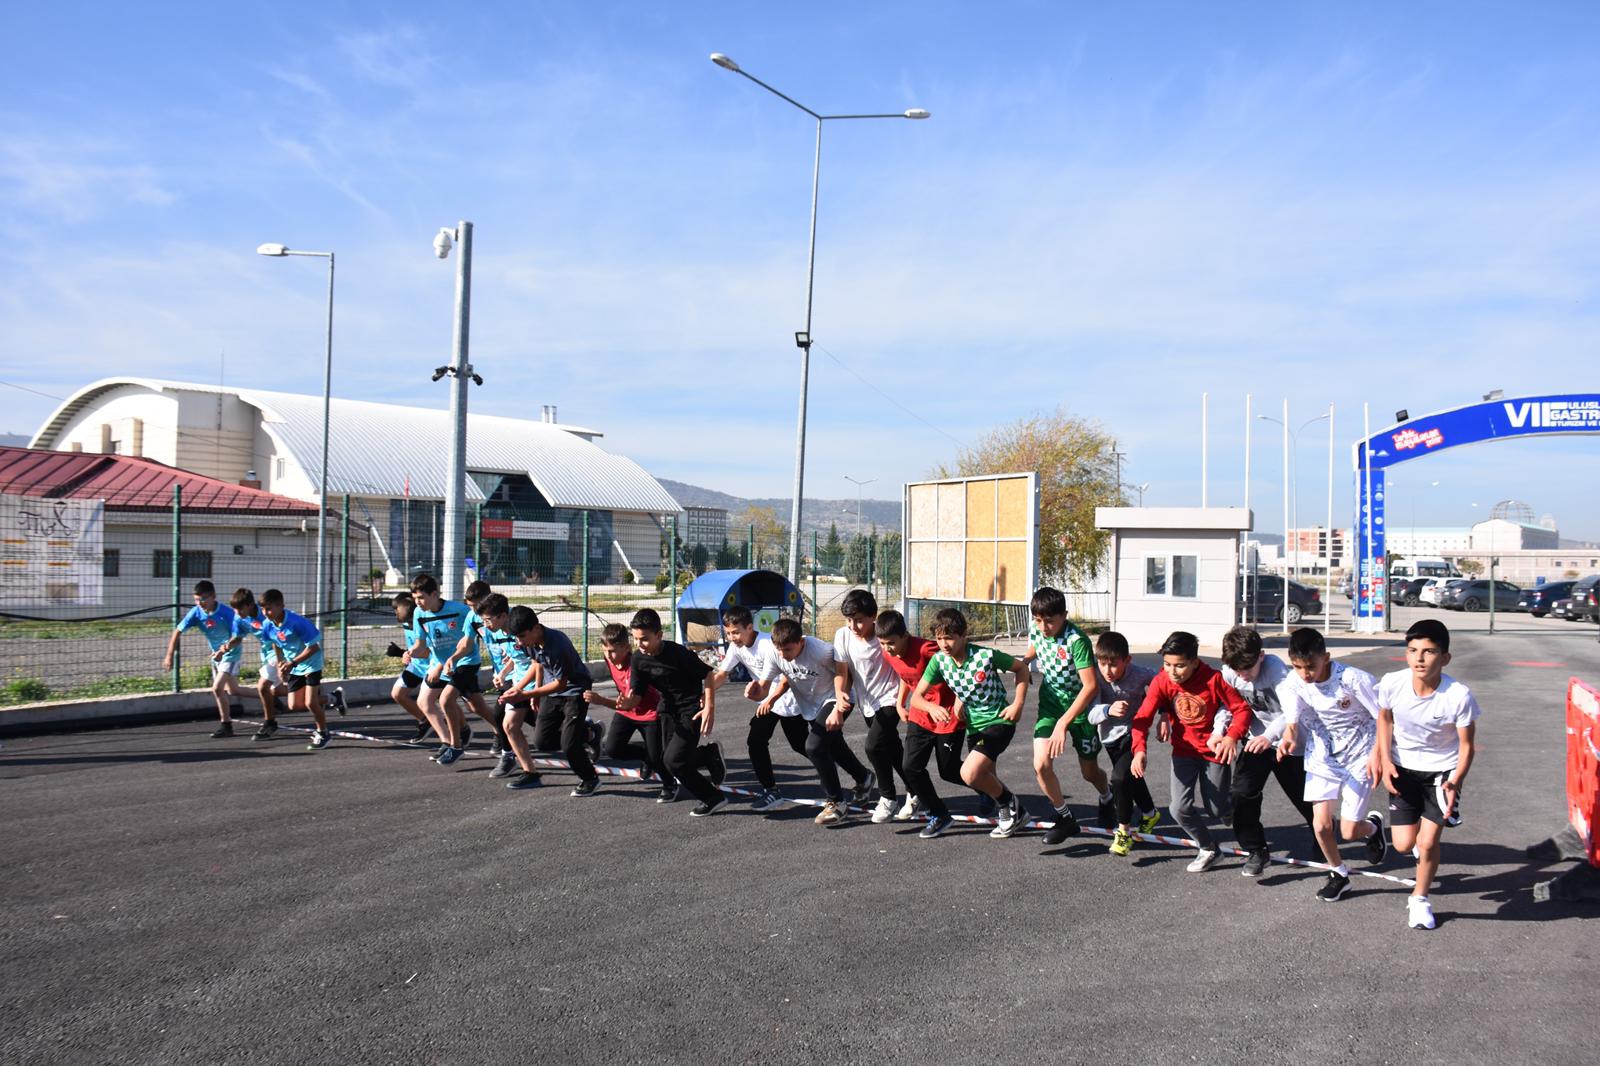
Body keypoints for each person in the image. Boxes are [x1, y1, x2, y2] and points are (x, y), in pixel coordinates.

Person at [1369, 618, 1480, 931]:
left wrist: (1456, 780)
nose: (1419, 658)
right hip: (1402, 769)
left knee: (1428, 842)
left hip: (1441, 775)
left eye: (1429, 651)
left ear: (1444, 658)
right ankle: (1398, 836)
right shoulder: (1392, 683)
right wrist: (1385, 758)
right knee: (1404, 845)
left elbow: (1467, 746)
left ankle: (1419, 900)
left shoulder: (1458, 695)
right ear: (1406, 655)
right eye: (1413, 650)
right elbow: (1384, 718)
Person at [1276, 626, 1387, 900]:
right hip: (1322, 756)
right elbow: (1291, 720)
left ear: (1325, 657)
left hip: (1361, 754)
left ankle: (1372, 829)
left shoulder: (1353, 679)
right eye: (1298, 666)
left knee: (1349, 831)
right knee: (1321, 825)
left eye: (1310, 666)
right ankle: (1338, 872)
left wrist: (1379, 753)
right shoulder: (1292, 682)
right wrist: (1288, 736)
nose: (1305, 674)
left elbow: (1384, 717)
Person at [1130, 630, 1252, 872]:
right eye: (1167, 664)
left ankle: (1229, 807)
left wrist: (1231, 737)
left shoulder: (1214, 679)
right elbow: (1142, 718)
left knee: (1216, 810)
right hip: (1183, 752)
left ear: (1195, 662)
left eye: (1180, 666)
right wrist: (1139, 750)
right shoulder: (1162, 680)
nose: (1172, 671)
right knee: (1179, 809)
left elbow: (1242, 710)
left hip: (1213, 753)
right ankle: (1208, 848)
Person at [910, 607, 1031, 840]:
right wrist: (933, 707)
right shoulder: (939, 661)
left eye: (949, 637)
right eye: (939, 638)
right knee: (988, 779)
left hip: (999, 720)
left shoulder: (985, 656)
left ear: (963, 635)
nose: (944, 644)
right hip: (974, 726)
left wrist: (1018, 704)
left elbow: (1021, 669)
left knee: (969, 773)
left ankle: (1013, 806)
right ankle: (1013, 814)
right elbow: (916, 698)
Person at [753, 617, 876, 826]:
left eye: (788, 650)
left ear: (801, 641)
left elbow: (842, 671)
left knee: (814, 746)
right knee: (834, 747)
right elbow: (771, 683)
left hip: (835, 699)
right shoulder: (777, 652)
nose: (783, 655)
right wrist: (760, 694)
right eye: (779, 649)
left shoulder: (820, 651)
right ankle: (864, 777)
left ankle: (836, 802)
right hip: (810, 706)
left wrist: (838, 705)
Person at [1218, 625, 1318, 878]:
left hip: (1290, 742)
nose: (1243, 676)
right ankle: (1256, 850)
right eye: (1237, 671)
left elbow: (1291, 711)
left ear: (1261, 656)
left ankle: (1322, 834)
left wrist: (1269, 735)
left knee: (1305, 799)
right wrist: (1220, 731)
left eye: (1248, 670)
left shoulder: (1277, 671)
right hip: (1256, 741)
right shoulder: (1231, 672)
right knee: (1242, 794)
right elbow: (1228, 706)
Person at [622, 609, 728, 817]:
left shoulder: (677, 653)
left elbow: (707, 674)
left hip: (691, 709)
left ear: (659, 635)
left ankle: (713, 797)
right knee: (666, 759)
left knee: (674, 761)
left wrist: (709, 707)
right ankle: (707, 755)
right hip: (668, 710)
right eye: (635, 639)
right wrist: (624, 703)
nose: (639, 645)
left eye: (644, 639)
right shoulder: (638, 659)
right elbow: (636, 697)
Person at [1019, 586, 1104, 845]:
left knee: (1089, 771)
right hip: (1050, 706)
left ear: (1064, 616)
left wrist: (1064, 723)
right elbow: (1035, 647)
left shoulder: (1077, 641)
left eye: (1050, 621)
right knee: (1041, 764)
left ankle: (1107, 796)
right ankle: (1065, 817)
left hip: (1079, 709)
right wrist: (1023, 662)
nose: (1043, 627)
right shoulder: (1037, 629)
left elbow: (1090, 687)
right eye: (1038, 620)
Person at [876, 609, 968, 839]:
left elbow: (960, 666)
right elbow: (907, 676)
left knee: (949, 771)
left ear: (905, 636)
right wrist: (900, 703)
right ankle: (939, 815)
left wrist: (959, 700)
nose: (886, 649)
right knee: (910, 768)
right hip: (921, 713)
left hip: (948, 714)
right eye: (882, 643)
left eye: (891, 643)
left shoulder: (928, 649)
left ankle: (987, 788)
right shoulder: (889, 653)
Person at [708, 606, 807, 811]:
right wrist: (706, 693)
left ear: (750, 627)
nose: (732, 637)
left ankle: (850, 770)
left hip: (788, 697)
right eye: (728, 633)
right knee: (756, 741)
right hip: (767, 700)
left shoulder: (768, 644)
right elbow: (722, 674)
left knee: (802, 745)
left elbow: (788, 674)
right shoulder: (736, 648)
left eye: (736, 632)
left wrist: (772, 697)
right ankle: (771, 791)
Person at [832, 589, 911, 823]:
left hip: (890, 698)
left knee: (873, 746)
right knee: (892, 749)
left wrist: (904, 700)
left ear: (873, 616)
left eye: (858, 620)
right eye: (849, 620)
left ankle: (888, 798)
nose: (853, 626)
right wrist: (840, 696)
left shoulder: (883, 636)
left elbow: (907, 660)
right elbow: (841, 672)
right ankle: (917, 790)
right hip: (866, 701)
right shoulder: (842, 635)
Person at [507, 607, 601, 797]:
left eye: (522, 636)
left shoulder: (558, 645)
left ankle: (590, 778)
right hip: (552, 690)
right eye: (516, 637)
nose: (519, 642)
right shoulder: (526, 641)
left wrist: (525, 694)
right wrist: (531, 691)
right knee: (543, 742)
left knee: (569, 745)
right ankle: (590, 733)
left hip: (575, 690)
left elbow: (561, 684)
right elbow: (537, 663)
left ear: (536, 628)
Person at [585, 623, 679, 802]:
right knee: (612, 749)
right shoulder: (609, 660)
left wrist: (600, 700)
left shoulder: (637, 665)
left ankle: (669, 784)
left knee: (658, 758)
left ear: (627, 648)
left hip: (650, 713)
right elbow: (625, 704)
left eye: (613, 651)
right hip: (626, 711)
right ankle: (646, 755)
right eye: (605, 651)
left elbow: (630, 703)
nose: (609, 656)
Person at [1089, 631, 1163, 856]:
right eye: (1102, 664)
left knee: (1119, 779)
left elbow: (1162, 683)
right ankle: (1150, 814)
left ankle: (1123, 832)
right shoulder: (1096, 677)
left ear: (1127, 660)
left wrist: (1166, 714)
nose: (1107, 671)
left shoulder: (1139, 673)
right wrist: (1107, 710)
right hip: (1110, 738)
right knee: (1133, 777)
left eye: (1113, 665)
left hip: (1134, 733)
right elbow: (1090, 714)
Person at [409, 573, 485, 766]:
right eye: (414, 598)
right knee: (425, 702)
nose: (417, 602)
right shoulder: (419, 614)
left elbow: (469, 639)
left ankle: (497, 736)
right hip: (440, 663)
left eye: (421, 598)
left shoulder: (459, 610)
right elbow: (420, 644)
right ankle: (449, 742)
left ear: (434, 594)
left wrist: (442, 665)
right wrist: (410, 653)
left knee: (474, 706)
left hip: (463, 661)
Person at [162, 580, 245, 737]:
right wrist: (169, 656)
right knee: (233, 690)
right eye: (196, 599)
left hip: (231, 654)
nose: (200, 603)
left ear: (213, 596)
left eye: (203, 599)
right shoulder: (196, 612)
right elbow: (177, 632)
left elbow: (238, 637)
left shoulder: (227, 613)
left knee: (217, 688)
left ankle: (226, 725)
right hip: (216, 656)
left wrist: (224, 650)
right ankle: (267, 697)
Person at [475, 593, 540, 779]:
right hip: (519, 683)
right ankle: (524, 768)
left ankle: (588, 733)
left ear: (503, 616)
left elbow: (537, 663)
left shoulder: (521, 628)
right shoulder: (495, 631)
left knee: (548, 733)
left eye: (488, 620)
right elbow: (515, 656)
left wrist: (521, 688)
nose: (486, 625)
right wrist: (503, 673)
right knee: (507, 722)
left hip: (539, 681)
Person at [259, 588, 331, 749]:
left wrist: (292, 663)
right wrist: (280, 665)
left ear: (281, 606)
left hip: (311, 663)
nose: (265, 612)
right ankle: (333, 698)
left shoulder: (297, 622)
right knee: (294, 705)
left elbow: (314, 648)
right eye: (263, 609)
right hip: (293, 665)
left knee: (311, 703)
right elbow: (276, 643)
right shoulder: (267, 625)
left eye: (269, 608)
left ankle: (323, 733)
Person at [221, 588, 287, 741]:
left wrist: (282, 660)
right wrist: (225, 648)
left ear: (250, 605)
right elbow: (237, 637)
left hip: (280, 651)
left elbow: (280, 637)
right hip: (266, 653)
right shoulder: (239, 618)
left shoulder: (267, 614)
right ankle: (327, 698)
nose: (237, 612)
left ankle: (270, 723)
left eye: (240, 608)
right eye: (234, 609)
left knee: (262, 686)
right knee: (277, 691)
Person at [386, 592, 434, 743]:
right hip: (417, 666)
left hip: (433, 666)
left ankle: (462, 729)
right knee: (398, 694)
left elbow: (427, 652)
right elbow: (414, 648)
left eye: (397, 609)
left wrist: (407, 654)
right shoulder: (407, 623)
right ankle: (425, 721)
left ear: (407, 608)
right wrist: (401, 653)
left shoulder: (424, 623)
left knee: (447, 702)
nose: (395, 612)